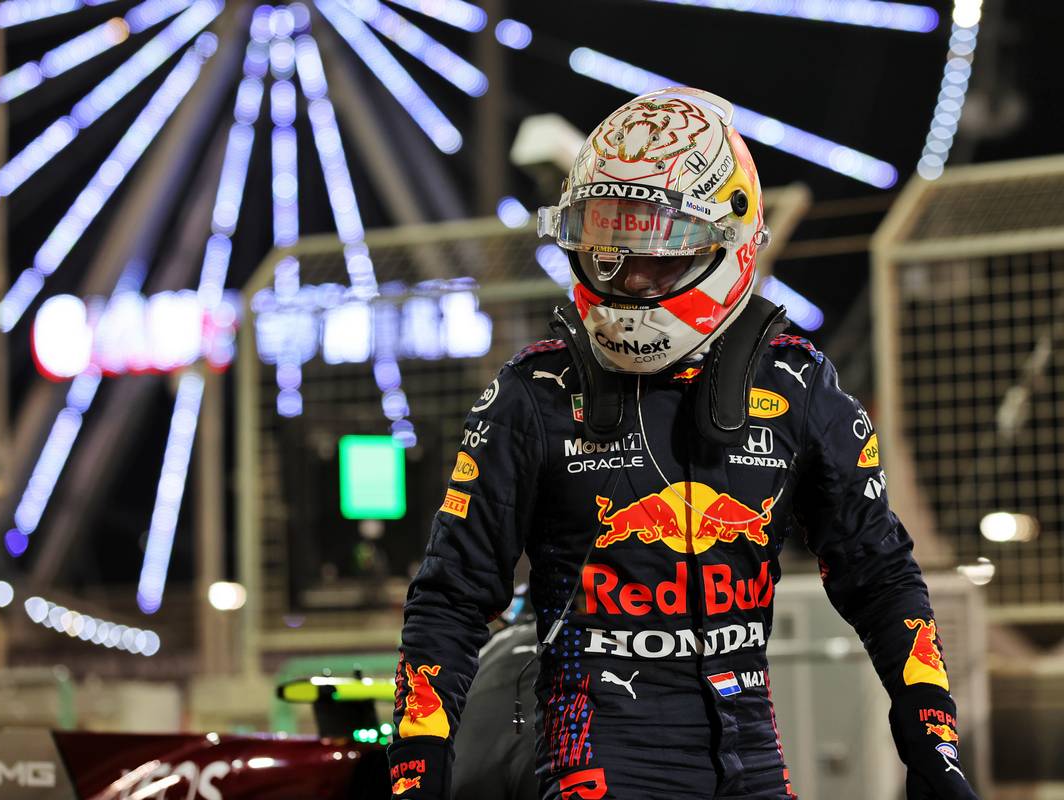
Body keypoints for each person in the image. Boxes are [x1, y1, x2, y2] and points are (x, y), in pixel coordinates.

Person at [387, 87, 978, 800]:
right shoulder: (531, 395)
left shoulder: (799, 387)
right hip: (594, 762)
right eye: (611, 253)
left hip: (752, 759)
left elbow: (880, 576)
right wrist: (416, 770)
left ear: (730, 242)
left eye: (658, 257)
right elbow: (450, 597)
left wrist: (933, 744)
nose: (630, 280)